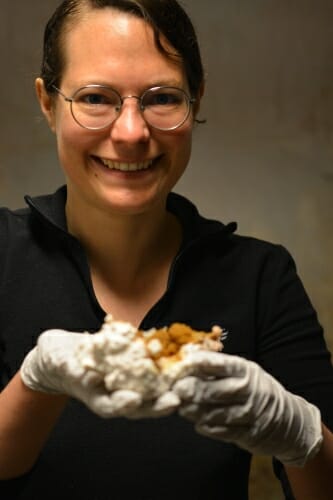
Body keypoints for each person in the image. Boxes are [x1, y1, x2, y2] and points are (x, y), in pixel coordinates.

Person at [0, 0, 332, 498]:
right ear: (48, 104)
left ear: (195, 101)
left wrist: (302, 437)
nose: (131, 133)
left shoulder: (262, 276)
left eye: (162, 98)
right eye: (95, 97)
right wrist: (36, 382)